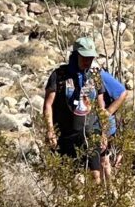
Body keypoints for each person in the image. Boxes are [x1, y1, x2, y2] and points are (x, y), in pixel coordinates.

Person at [43, 36, 123, 170]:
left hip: (91, 132)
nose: (88, 61)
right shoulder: (59, 75)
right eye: (84, 57)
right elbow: (48, 105)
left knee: (96, 174)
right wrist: (50, 130)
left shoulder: (95, 75)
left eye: (91, 57)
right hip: (65, 134)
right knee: (66, 175)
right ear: (76, 55)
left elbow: (101, 106)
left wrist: (104, 133)